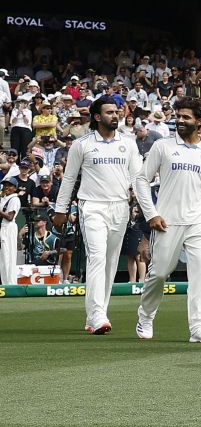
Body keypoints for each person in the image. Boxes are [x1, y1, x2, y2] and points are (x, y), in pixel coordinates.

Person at [132, 98, 201, 343]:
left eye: (186, 117)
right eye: (178, 116)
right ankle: (146, 316)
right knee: (160, 272)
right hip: (167, 220)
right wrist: (151, 214)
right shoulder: (162, 146)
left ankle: (199, 328)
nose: (180, 121)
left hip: (199, 220)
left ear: (200, 122)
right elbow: (141, 180)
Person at [53, 95, 142, 335]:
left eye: (116, 112)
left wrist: (145, 207)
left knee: (111, 263)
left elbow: (138, 178)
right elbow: (69, 178)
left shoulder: (129, 143)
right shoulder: (82, 144)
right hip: (91, 206)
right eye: (110, 112)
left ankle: (97, 314)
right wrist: (60, 210)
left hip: (121, 207)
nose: (115, 115)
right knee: (97, 257)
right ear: (97, 116)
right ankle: (97, 315)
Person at [0, 176, 20, 282]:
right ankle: (5, 284)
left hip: (8, 227)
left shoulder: (14, 199)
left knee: (9, 257)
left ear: (15, 188)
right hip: (3, 228)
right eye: (5, 185)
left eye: (10, 185)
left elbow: (10, 217)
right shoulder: (4, 198)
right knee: (3, 258)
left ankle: (11, 284)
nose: (6, 187)